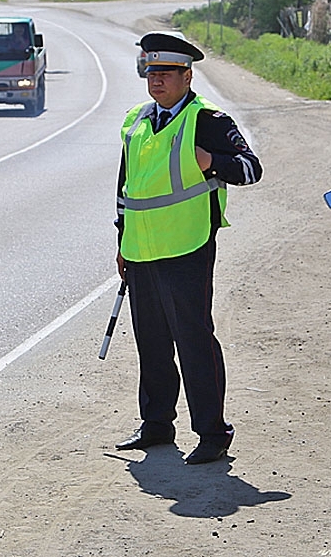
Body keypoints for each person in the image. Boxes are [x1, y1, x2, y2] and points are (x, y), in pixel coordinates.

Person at [113, 32, 262, 465]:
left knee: (194, 341)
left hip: (188, 248)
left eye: (164, 73)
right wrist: (121, 241)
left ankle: (213, 434)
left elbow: (251, 169)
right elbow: (125, 189)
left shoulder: (208, 120)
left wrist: (211, 161)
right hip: (141, 250)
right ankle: (156, 425)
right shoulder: (137, 121)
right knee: (152, 343)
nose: (155, 80)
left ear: (187, 75)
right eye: (150, 71)